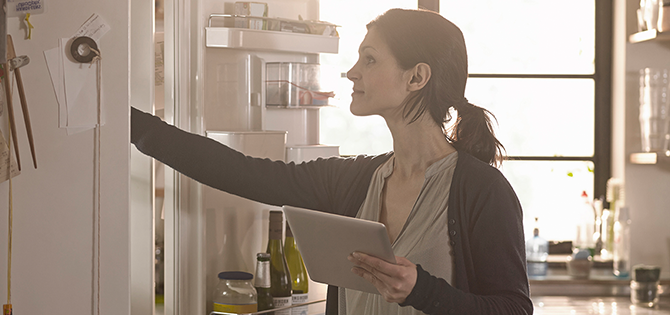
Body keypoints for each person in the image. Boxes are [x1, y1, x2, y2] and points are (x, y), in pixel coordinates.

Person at [132, 8, 533, 315]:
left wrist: (422, 291)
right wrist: (130, 122)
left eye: (370, 60)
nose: (351, 72)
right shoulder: (354, 179)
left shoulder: (481, 190)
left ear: (416, 77)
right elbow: (241, 172)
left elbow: (514, 308)